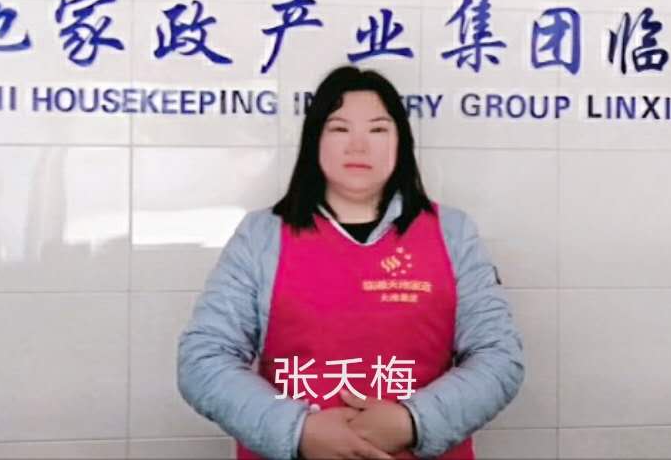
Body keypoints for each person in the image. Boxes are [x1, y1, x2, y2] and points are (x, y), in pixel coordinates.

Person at [177, 66, 524, 459]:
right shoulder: (261, 235)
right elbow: (204, 358)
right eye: (340, 129)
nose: (358, 146)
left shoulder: (453, 232)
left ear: (401, 143)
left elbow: (499, 356)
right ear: (315, 140)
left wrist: (412, 421)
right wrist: (298, 430)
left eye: (378, 130)